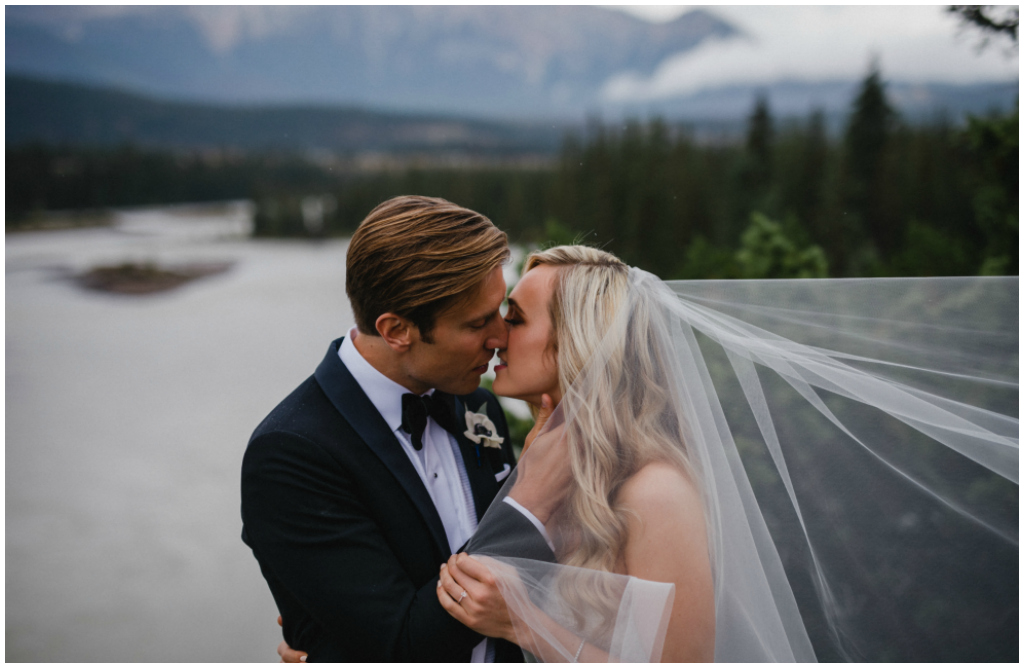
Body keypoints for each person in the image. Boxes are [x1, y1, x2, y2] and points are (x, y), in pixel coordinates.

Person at [278, 243, 1018, 662]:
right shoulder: (528, 441)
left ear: (579, 341)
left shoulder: (654, 489)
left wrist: (524, 623)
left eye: (515, 316)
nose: (498, 335)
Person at [241, 196, 553, 662]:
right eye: (477, 323)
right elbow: (400, 645)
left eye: (500, 310)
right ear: (396, 330)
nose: (501, 337)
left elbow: (526, 576)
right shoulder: (291, 453)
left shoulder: (477, 406)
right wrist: (533, 487)